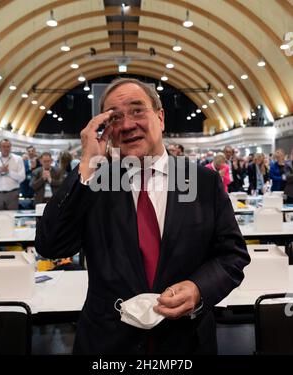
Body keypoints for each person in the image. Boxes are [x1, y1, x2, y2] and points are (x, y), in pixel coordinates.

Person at [35, 78, 250, 355]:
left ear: (160, 118)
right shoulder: (94, 184)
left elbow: (232, 255)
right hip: (108, 344)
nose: (126, 125)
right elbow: (51, 246)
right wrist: (87, 163)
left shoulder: (203, 181)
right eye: (115, 118)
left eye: (137, 110)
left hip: (186, 341)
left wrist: (198, 289)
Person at [0, 139, 25, 210]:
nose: (6, 149)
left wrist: (9, 172)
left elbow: (22, 177)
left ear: (11, 147)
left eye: (8, 146)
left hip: (13, 194)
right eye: (3, 146)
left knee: (12, 217)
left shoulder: (18, 159)